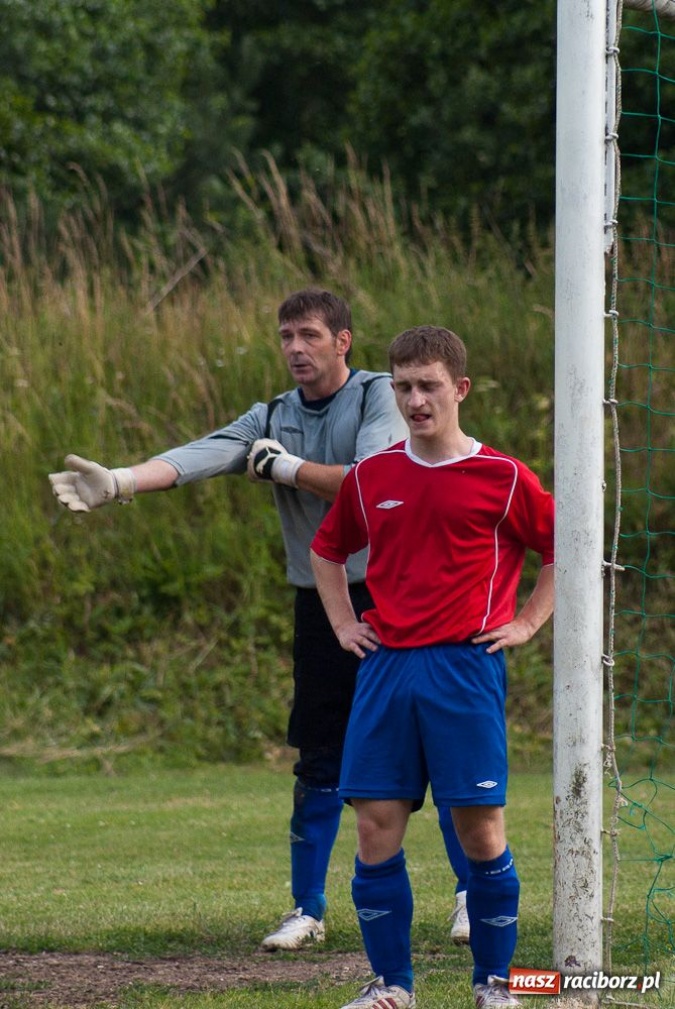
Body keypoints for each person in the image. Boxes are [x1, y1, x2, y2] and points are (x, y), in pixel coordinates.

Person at [48, 290, 469, 952]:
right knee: (319, 758)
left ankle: (470, 896)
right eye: (285, 336)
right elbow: (206, 453)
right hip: (321, 601)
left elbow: (370, 480)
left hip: (400, 599)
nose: (295, 348)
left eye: (309, 335)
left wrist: (287, 468)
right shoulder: (273, 414)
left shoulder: (380, 395)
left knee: (438, 750)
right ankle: (307, 909)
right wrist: (121, 481)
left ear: (342, 341)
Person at [310, 325, 555, 1009]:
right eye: (404, 387)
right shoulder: (371, 476)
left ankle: (494, 983)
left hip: (464, 668)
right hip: (385, 670)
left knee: (479, 830)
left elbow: (562, 547)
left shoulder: (504, 477)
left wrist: (528, 621)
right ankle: (391, 986)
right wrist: (342, 623)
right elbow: (327, 551)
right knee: (373, 826)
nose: (416, 400)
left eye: (429, 386)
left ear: (459, 389)